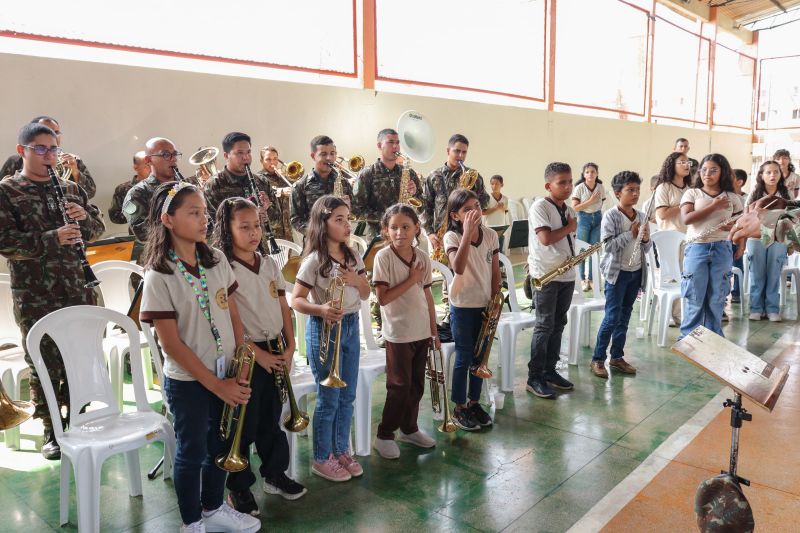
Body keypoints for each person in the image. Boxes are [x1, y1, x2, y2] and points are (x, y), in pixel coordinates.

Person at [139, 181, 260, 533]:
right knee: (192, 452)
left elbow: (233, 315)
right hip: (190, 381)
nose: (203, 219)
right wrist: (216, 385)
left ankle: (213, 507)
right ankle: (191, 522)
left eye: (204, 212)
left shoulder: (216, 259)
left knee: (221, 444)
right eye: (193, 213)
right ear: (168, 219)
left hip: (226, 372)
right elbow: (172, 345)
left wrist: (240, 365)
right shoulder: (159, 274)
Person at [0, 122, 105, 460]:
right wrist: (51, 238)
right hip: (35, 292)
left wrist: (83, 220)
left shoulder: (71, 188)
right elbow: (5, 243)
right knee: (44, 360)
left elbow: (97, 227)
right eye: (40, 149)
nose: (49, 155)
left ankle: (77, 418)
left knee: (78, 355)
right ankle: (51, 428)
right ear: (22, 151)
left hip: (76, 285)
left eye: (53, 148)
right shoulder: (8, 191)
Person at [211, 197, 306, 515]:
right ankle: (238, 488)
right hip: (246, 355)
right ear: (228, 229)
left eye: (257, 226)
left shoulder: (267, 263)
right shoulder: (226, 267)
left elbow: (283, 305)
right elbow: (233, 321)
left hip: (275, 348)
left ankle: (274, 473)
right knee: (244, 423)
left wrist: (291, 347)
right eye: (244, 227)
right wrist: (258, 356)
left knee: (271, 417)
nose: (254, 233)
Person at [291, 195, 370, 481]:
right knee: (329, 399)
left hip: (350, 326)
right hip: (325, 328)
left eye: (348, 218)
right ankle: (322, 458)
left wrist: (356, 280)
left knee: (347, 396)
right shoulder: (314, 260)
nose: (347, 224)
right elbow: (296, 300)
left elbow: (366, 293)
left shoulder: (353, 256)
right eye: (339, 219)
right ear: (323, 223)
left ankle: (341, 450)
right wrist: (320, 309)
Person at [371, 203, 439, 458]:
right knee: (399, 385)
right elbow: (383, 298)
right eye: (394, 227)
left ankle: (409, 429)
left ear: (416, 228)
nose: (400, 232)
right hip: (398, 333)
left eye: (405, 227)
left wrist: (433, 330)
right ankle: (384, 434)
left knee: (416, 385)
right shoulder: (383, 257)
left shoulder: (422, 257)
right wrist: (411, 278)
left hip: (421, 330)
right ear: (386, 231)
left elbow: (427, 295)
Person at [443, 188, 501, 430]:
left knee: (480, 358)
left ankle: (474, 402)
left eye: (477, 206)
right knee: (464, 356)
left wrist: (497, 299)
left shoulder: (490, 236)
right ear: (456, 216)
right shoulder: (452, 236)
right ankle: (459, 407)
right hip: (463, 305)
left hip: (485, 304)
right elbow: (458, 266)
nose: (474, 212)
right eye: (467, 209)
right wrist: (467, 233)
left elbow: (495, 272)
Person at [590, 171, 650, 378]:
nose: (635, 194)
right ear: (617, 194)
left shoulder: (641, 215)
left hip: (635, 273)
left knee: (624, 316)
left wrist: (645, 238)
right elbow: (608, 247)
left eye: (637, 190)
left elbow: (647, 248)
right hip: (617, 275)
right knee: (612, 316)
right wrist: (629, 234)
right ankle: (598, 359)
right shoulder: (611, 216)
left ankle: (616, 357)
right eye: (630, 190)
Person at [526, 162, 577, 400]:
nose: (568, 186)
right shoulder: (540, 207)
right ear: (549, 185)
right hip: (546, 275)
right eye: (562, 182)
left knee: (559, 324)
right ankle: (534, 377)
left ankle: (550, 371)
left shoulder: (569, 209)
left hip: (566, 275)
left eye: (569, 181)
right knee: (545, 325)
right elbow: (545, 238)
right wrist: (569, 227)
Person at [679, 154, 743, 338]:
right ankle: (688, 338)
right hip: (697, 248)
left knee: (717, 296)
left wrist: (735, 231)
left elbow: (740, 223)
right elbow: (687, 219)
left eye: (713, 169)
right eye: (704, 169)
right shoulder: (692, 193)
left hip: (722, 248)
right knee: (695, 296)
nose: (708, 173)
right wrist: (714, 206)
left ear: (722, 172)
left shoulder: (732, 197)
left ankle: (713, 337)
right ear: (699, 172)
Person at [203, 132, 279, 247]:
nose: (246, 157)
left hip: (260, 250)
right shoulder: (213, 185)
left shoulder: (262, 181)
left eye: (248, 152)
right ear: (226, 155)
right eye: (239, 153)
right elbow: (210, 227)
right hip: (229, 255)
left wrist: (266, 209)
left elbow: (277, 219)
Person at [421, 134, 490, 257]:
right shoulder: (434, 176)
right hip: (440, 237)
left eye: (464, 152)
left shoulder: (474, 177)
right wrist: (430, 233)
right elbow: (426, 207)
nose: (461, 156)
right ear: (448, 151)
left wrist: (470, 199)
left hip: (467, 234)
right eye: (457, 151)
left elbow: (485, 200)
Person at [352, 128, 424, 242]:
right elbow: (356, 209)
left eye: (397, 143)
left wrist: (414, 193)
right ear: (380, 146)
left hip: (405, 236)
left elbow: (422, 203)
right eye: (391, 142)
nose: (395, 146)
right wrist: (388, 218)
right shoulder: (367, 174)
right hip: (378, 236)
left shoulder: (409, 172)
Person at [0, 116, 97, 198]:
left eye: (56, 132)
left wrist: (76, 172)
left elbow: (90, 193)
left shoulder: (72, 160)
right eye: (47, 130)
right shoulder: (16, 160)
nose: (53, 135)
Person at [123, 137, 195, 245]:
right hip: (160, 258)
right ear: (148, 160)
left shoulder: (187, 187)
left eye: (175, 154)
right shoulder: (136, 194)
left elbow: (207, 225)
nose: (173, 159)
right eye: (166, 155)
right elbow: (143, 234)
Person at [744, 161, 791, 322]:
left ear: (781, 174)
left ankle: (772, 309)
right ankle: (756, 308)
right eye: (768, 172)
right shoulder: (754, 194)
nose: (772, 176)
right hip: (755, 238)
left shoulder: (786, 194)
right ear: (761, 175)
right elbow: (746, 217)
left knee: (774, 273)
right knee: (756, 274)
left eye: (776, 172)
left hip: (778, 239)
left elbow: (791, 219)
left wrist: (790, 244)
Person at [654, 151, 692, 325]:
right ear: (672, 165)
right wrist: (683, 204)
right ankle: (666, 312)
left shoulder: (690, 188)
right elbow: (662, 214)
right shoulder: (664, 187)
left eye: (688, 162)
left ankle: (678, 314)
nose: (686, 165)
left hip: (687, 237)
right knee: (669, 275)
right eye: (682, 162)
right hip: (668, 239)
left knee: (684, 275)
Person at [290, 136, 354, 235]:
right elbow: (295, 219)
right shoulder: (300, 186)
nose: (329, 158)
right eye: (323, 154)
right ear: (313, 156)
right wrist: (317, 232)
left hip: (341, 238)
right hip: (315, 243)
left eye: (332, 153)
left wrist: (348, 207)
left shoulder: (343, 182)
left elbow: (355, 211)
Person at [571, 163, 605, 292]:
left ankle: (591, 279)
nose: (590, 174)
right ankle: (581, 279)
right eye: (587, 172)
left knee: (593, 249)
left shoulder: (600, 187)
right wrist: (590, 202)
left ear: (597, 173)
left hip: (597, 218)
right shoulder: (579, 188)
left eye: (593, 171)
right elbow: (575, 207)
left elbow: (601, 202)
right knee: (581, 250)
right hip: (583, 218)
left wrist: (595, 210)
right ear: (584, 174)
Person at [258, 145, 294, 241]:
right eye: (268, 159)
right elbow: (263, 194)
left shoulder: (282, 176)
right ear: (261, 161)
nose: (272, 162)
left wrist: (287, 177)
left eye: (275, 159)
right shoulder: (259, 178)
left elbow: (295, 188)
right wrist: (281, 191)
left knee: (288, 254)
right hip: (271, 229)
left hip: (286, 226)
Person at [730, 169, 749, 303]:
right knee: (723, 269)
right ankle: (723, 296)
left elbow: (745, 223)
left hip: (738, 238)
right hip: (724, 238)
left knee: (738, 264)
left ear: (739, 182)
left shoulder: (746, 199)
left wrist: (742, 244)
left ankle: (736, 292)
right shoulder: (725, 196)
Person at [482, 174, 510, 251]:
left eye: (497, 184)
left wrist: (502, 208)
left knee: (500, 252)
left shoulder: (505, 199)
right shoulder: (487, 197)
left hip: (501, 229)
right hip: (488, 229)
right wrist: (495, 208)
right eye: (492, 184)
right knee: (489, 252)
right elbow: (482, 212)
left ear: (502, 185)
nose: (494, 186)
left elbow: (506, 211)